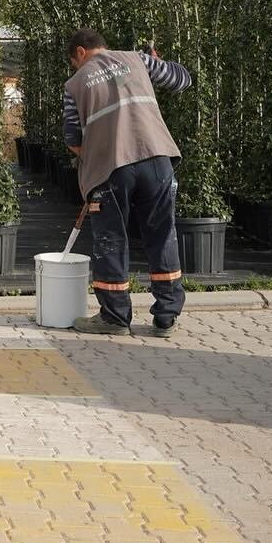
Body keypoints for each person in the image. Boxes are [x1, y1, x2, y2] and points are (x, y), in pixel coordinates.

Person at [62, 28, 192, 337]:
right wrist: (157, 62)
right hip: (157, 158)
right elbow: (182, 79)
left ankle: (115, 317)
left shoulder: (74, 84)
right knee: (162, 234)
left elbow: (72, 138)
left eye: (73, 62)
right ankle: (166, 316)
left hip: (111, 170)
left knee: (111, 239)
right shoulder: (138, 59)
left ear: (80, 53)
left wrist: (98, 149)